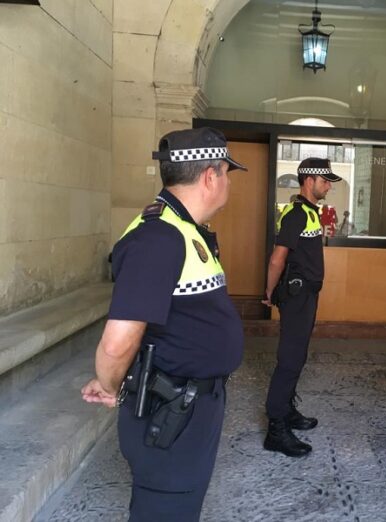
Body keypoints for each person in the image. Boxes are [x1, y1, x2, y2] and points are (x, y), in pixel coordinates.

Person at [81, 127, 248, 520]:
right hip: (172, 412)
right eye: (227, 173)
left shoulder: (182, 228)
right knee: (166, 508)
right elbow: (116, 343)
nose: (228, 183)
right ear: (211, 176)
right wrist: (110, 384)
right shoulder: (159, 238)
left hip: (193, 405)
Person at [262, 157, 342, 457]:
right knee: (290, 358)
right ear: (309, 181)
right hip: (296, 297)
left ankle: (286, 410)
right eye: (325, 181)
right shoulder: (296, 213)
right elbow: (277, 258)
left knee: (298, 355)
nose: (328, 187)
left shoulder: (308, 211)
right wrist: (269, 290)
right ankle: (276, 428)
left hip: (306, 296)